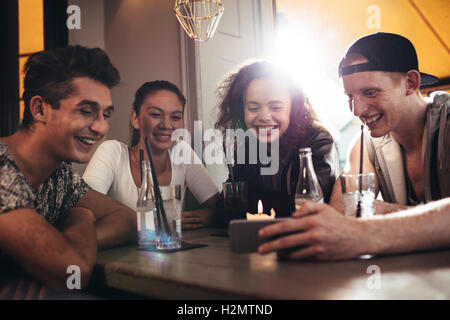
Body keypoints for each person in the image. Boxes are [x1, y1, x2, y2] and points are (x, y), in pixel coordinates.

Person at [258, 32, 450, 260]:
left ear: (410, 83)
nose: (357, 110)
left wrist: (372, 222)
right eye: (349, 96)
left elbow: (356, 216)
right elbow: (342, 212)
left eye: (371, 92)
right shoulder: (365, 143)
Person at [0, 45, 136, 298]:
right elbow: (74, 272)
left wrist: (59, 245)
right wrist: (82, 215)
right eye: (86, 111)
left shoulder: (59, 175)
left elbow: (127, 220)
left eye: (106, 114)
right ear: (40, 109)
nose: (101, 127)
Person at [83, 81, 219, 229]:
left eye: (175, 117)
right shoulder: (112, 152)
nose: (166, 125)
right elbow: (83, 208)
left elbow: (219, 209)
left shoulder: (182, 152)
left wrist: (196, 218)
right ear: (135, 118)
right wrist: (160, 220)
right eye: (155, 114)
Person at [214, 61, 339, 222]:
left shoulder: (318, 140)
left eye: (276, 107)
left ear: (293, 109)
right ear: (241, 110)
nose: (264, 117)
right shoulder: (247, 145)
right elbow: (223, 209)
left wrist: (250, 203)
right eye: (253, 108)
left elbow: (308, 206)